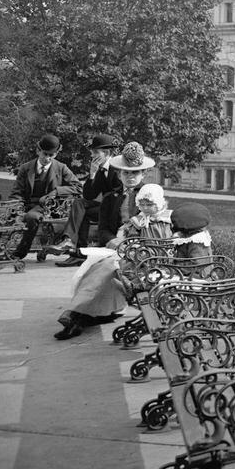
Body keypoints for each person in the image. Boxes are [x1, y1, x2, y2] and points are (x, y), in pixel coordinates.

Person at [55, 143, 170, 340]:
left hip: (143, 254)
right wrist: (113, 241)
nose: (130, 177)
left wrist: (130, 243)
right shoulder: (111, 198)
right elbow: (103, 230)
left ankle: (76, 315)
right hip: (114, 247)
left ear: (144, 174)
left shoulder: (151, 197)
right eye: (126, 173)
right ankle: (82, 315)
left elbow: (160, 229)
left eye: (136, 173)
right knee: (95, 266)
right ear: (119, 175)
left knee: (107, 267)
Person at [48, 134, 125, 267]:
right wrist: (92, 174)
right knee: (80, 205)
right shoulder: (100, 170)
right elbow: (88, 195)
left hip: (115, 211)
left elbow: (120, 195)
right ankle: (75, 249)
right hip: (104, 208)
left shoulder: (118, 169)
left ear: (106, 153)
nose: (92, 156)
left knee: (82, 208)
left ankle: (77, 251)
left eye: (95, 152)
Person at [9, 133, 81, 260]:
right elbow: (16, 192)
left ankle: (19, 253)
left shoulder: (61, 168)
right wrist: (15, 206)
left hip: (47, 207)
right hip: (25, 204)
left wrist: (56, 192)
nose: (47, 158)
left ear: (56, 154)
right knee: (1, 214)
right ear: (38, 151)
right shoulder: (25, 168)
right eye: (45, 154)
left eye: (51, 155)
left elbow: (78, 187)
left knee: (31, 217)